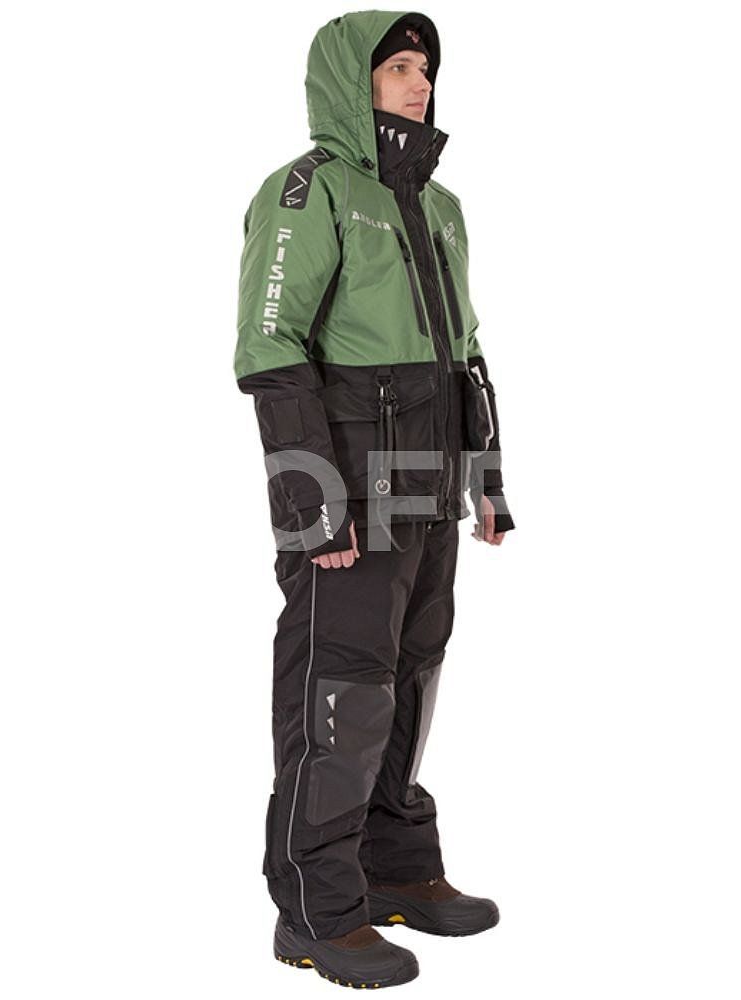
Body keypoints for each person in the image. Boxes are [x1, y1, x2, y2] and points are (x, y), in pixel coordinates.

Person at [233, 10, 515, 989]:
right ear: (351, 81)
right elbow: (271, 354)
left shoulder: (440, 205)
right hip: (349, 499)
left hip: (429, 496)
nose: (417, 81)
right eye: (396, 66)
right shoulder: (306, 192)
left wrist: (485, 481)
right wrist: (312, 512)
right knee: (341, 693)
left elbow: (465, 354)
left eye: (424, 67)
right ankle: (316, 909)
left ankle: (394, 867)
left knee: (409, 682)